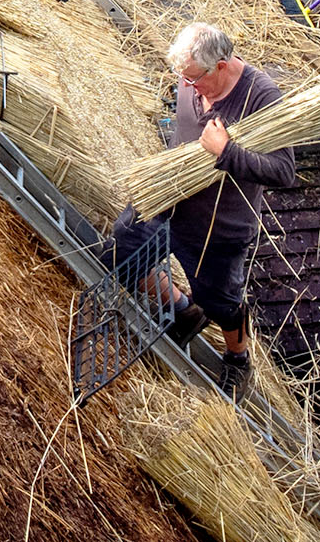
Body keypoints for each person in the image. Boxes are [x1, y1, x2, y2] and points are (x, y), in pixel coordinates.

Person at [107, 22, 295, 398]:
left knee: (221, 302)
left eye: (195, 79)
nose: (188, 87)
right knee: (123, 250)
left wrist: (227, 153)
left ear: (221, 66)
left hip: (218, 225)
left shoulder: (261, 97)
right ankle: (181, 309)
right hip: (167, 196)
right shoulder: (191, 77)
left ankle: (238, 360)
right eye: (183, 79)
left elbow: (285, 171)